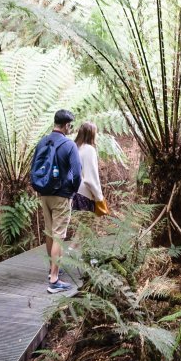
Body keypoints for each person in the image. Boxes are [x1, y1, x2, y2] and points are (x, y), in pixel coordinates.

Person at [31, 109, 81, 293]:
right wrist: (72, 190)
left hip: (44, 194)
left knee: (50, 233)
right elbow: (77, 173)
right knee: (59, 235)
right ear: (67, 125)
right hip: (62, 195)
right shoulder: (69, 145)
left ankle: (51, 270)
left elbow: (34, 166)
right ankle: (54, 279)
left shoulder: (43, 141)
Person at [72, 121, 108, 216]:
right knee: (84, 229)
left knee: (74, 228)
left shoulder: (74, 147)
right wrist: (99, 197)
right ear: (91, 134)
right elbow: (90, 179)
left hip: (70, 194)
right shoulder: (89, 149)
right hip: (83, 196)